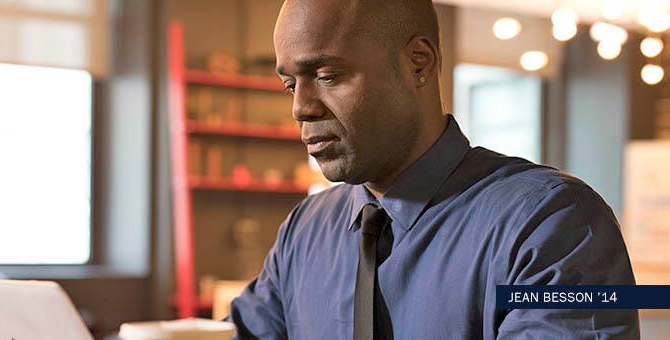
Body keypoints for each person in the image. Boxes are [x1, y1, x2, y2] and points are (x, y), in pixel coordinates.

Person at [228, 0, 639, 339]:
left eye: (328, 76)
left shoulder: (554, 225)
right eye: (290, 85)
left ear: (419, 63)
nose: (300, 107)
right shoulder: (305, 232)